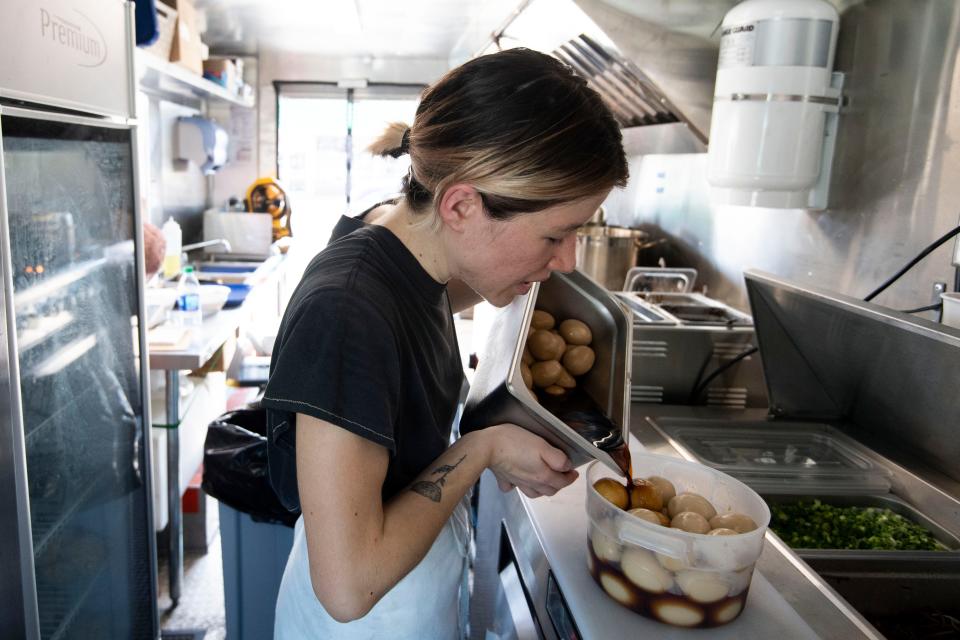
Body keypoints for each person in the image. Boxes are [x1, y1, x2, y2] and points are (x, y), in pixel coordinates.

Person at [261, 47, 628, 639]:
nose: (566, 261)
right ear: (460, 204)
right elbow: (349, 586)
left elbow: (424, 317)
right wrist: (483, 450)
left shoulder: (405, 244)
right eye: (556, 235)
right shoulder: (346, 314)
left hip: (417, 587)